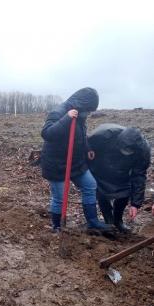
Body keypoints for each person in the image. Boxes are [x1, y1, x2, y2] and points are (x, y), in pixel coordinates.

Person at [40, 87, 113, 234]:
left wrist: (88, 149)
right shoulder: (59, 112)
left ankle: (92, 222)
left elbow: (80, 136)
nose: (89, 113)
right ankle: (57, 227)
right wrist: (66, 118)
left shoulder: (80, 115)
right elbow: (47, 134)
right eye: (88, 109)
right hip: (57, 165)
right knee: (60, 198)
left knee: (90, 185)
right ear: (81, 103)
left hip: (75, 163)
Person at [88, 124, 151, 233]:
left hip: (123, 173)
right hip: (100, 167)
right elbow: (87, 144)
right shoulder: (105, 134)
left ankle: (118, 220)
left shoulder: (143, 150)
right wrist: (89, 151)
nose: (125, 151)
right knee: (102, 193)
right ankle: (109, 221)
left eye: (128, 150)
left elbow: (139, 176)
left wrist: (135, 204)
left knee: (125, 193)